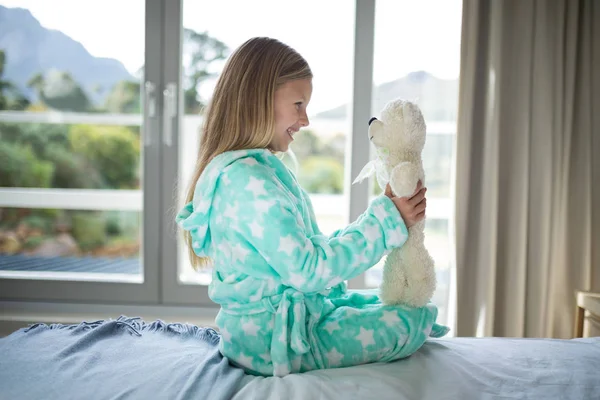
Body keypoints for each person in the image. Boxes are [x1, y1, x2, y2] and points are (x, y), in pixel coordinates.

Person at [176, 37, 449, 377]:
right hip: (275, 344)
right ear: (259, 99)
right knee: (408, 320)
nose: (304, 120)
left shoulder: (248, 174)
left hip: (266, 333)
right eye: (298, 104)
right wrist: (385, 222)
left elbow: (307, 251)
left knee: (378, 301)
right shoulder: (248, 182)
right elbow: (308, 269)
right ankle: (416, 323)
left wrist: (385, 214)